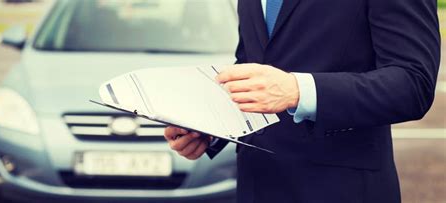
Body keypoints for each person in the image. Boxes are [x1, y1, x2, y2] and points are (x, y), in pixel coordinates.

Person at [164, 0, 440, 202]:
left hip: (341, 190)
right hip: (255, 187)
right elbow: (251, 65)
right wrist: (210, 128)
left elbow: (413, 83)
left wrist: (298, 90)